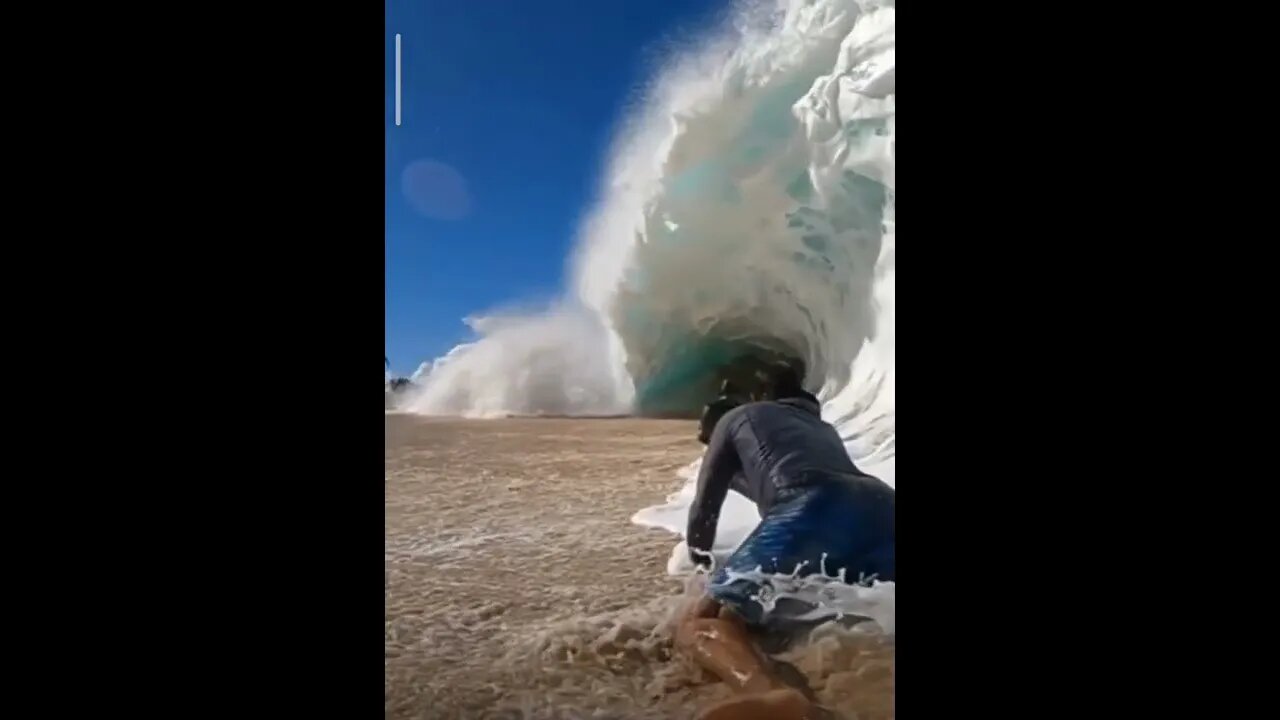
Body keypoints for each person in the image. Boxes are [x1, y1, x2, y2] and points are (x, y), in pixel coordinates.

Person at [674, 367, 895, 720]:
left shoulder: (735, 416)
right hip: (883, 505)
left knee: (704, 621)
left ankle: (773, 696)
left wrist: (704, 577)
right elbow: (772, 490)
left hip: (814, 500)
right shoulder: (822, 429)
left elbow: (704, 511)